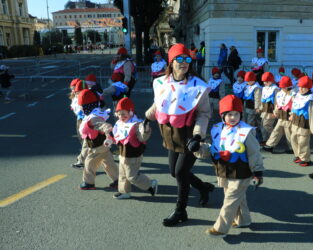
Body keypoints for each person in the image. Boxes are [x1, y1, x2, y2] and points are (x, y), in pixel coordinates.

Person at [145, 43, 214, 227]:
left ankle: (180, 210)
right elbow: (158, 104)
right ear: (171, 61)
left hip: (190, 136)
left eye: (188, 59)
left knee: (180, 172)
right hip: (170, 133)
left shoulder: (197, 86)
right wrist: (146, 118)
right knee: (173, 171)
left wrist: (198, 136)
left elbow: (204, 114)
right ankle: (203, 187)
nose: (184, 63)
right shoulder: (161, 82)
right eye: (180, 59)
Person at [194, 95, 264, 238]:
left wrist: (258, 172)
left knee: (230, 200)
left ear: (241, 114)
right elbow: (212, 149)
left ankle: (220, 228)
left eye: (236, 114)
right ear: (222, 115)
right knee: (236, 197)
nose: (233, 117)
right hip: (224, 170)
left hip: (242, 171)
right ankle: (243, 220)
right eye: (229, 114)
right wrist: (198, 148)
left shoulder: (246, 131)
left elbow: (254, 153)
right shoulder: (217, 129)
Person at [106, 97, 158, 199]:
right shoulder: (119, 123)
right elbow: (114, 134)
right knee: (122, 175)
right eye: (119, 114)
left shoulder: (136, 124)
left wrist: (146, 130)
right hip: (123, 154)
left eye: (124, 114)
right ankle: (124, 191)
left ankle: (150, 184)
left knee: (132, 177)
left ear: (130, 112)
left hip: (133, 155)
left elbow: (142, 138)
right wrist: (109, 140)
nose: (121, 116)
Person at [77, 89, 119, 190]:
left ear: (86, 106)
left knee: (89, 164)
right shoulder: (95, 114)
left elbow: (104, 126)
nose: (81, 109)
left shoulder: (93, 118)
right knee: (109, 164)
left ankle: (89, 183)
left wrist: (109, 132)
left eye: (82, 107)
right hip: (103, 146)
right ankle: (119, 180)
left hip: (97, 147)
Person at [290, 76, 313, 167]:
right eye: (300, 87)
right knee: (293, 139)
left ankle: (305, 158)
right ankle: (298, 155)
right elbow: (294, 106)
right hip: (295, 122)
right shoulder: (297, 95)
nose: (301, 89)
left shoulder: (311, 100)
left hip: (304, 123)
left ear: (309, 88)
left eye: (304, 87)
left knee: (303, 141)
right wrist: (291, 115)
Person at [263, 76, 294, 153]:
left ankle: (292, 148)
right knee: (276, 131)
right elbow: (277, 104)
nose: (282, 88)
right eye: (281, 87)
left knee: (289, 133)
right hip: (281, 115)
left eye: (284, 87)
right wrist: (275, 111)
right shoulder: (280, 93)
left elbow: (295, 106)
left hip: (288, 116)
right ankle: (270, 145)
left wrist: (293, 114)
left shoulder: (293, 94)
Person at [243, 71, 264, 144]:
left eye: (248, 81)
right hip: (248, 107)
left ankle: (253, 138)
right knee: (250, 122)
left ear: (253, 80)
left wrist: (257, 107)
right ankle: (254, 137)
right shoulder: (248, 86)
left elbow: (258, 98)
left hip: (254, 109)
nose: (247, 82)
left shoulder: (257, 88)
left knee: (251, 123)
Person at [260, 72, 279, 144]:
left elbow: (277, 101)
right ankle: (265, 139)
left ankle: (274, 139)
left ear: (271, 81)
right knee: (262, 125)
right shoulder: (264, 88)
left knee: (267, 125)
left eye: (266, 81)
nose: (264, 83)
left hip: (271, 110)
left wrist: (276, 111)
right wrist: (260, 107)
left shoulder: (275, 89)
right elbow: (262, 99)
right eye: (264, 81)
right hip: (264, 110)